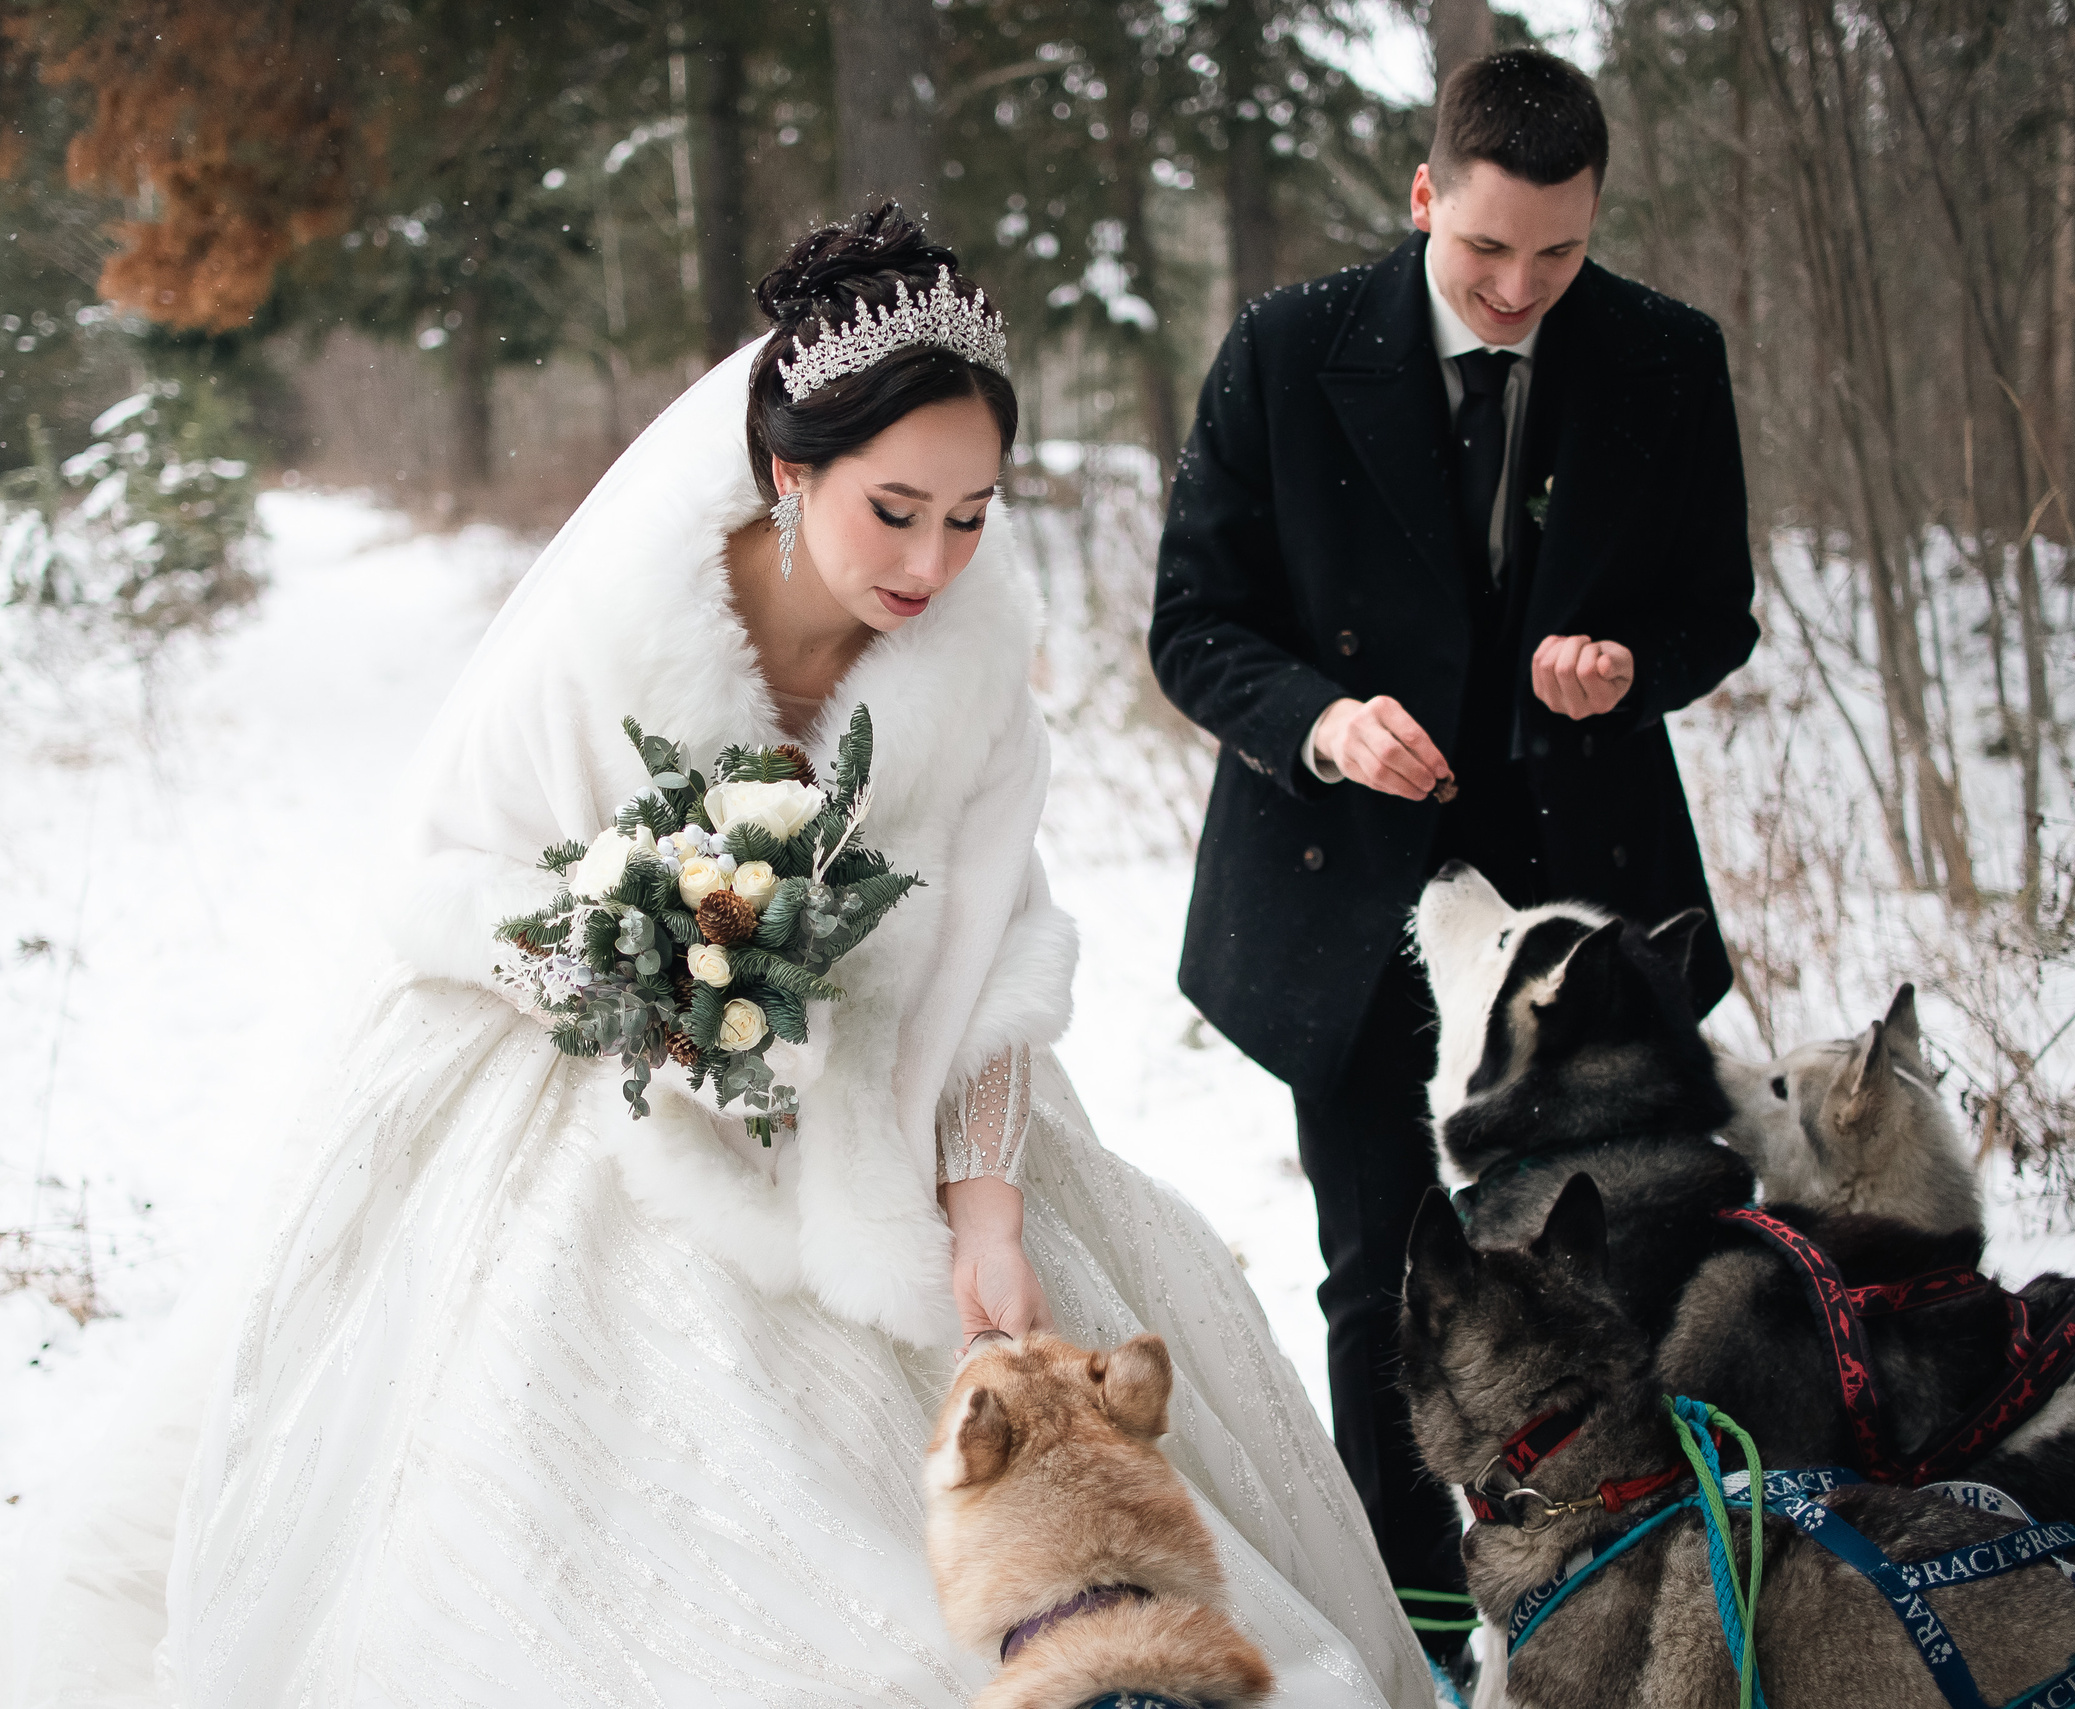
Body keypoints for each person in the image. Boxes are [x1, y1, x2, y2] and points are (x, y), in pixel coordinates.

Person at [124, 206, 1437, 1708]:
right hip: (608, 1094)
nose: (933, 560)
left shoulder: (973, 673)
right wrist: (645, 970)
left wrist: (987, 1205)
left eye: (972, 514)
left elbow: (996, 958)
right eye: (892, 508)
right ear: (788, 470)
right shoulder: (620, 625)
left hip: (900, 1091)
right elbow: (450, 885)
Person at [1149, 48, 1759, 1664]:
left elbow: (1717, 607)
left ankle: (1626, 1603)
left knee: (1617, 1256)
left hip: (1581, 902)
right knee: (1387, 1265)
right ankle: (1426, 1621)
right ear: (1425, 195)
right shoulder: (1287, 353)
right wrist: (1324, 721)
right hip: (1346, 882)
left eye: (1557, 256)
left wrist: (1631, 664)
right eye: (1485, 250)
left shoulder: (1665, 357)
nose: (1516, 289)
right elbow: (1194, 624)